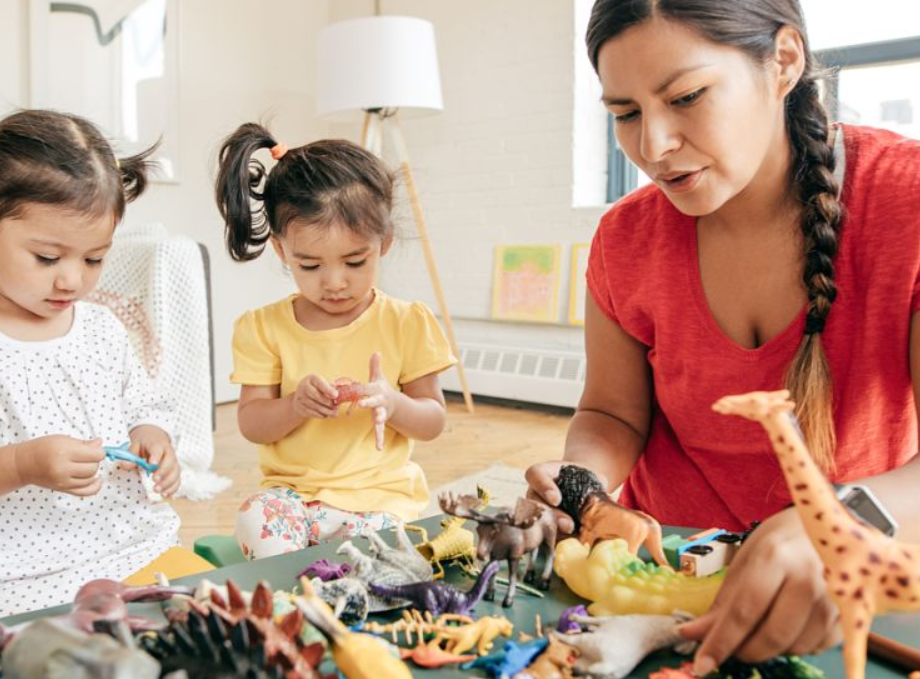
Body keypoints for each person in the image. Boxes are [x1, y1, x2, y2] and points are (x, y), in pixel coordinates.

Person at [524, 0, 920, 673]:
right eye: (623, 112)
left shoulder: (905, 201)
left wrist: (848, 522)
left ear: (784, 61)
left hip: (852, 586)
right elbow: (611, 411)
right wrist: (585, 485)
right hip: (661, 578)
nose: (652, 145)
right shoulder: (624, 239)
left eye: (686, 97)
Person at [0, 85, 182, 631]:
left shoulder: (101, 328)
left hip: (125, 544)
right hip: (15, 572)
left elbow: (143, 402)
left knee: (181, 617)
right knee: (34, 650)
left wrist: (153, 435)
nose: (72, 279)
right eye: (47, 257)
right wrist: (23, 464)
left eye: (94, 258)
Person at [215, 123, 457, 559]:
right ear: (281, 250)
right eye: (309, 265)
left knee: (396, 550)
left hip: (381, 501)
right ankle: (309, 582)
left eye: (354, 261)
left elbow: (434, 420)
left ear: (383, 243)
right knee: (254, 516)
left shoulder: (407, 322)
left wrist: (394, 403)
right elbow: (252, 423)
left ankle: (334, 578)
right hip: (294, 500)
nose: (334, 283)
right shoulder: (262, 327)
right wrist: (293, 406)